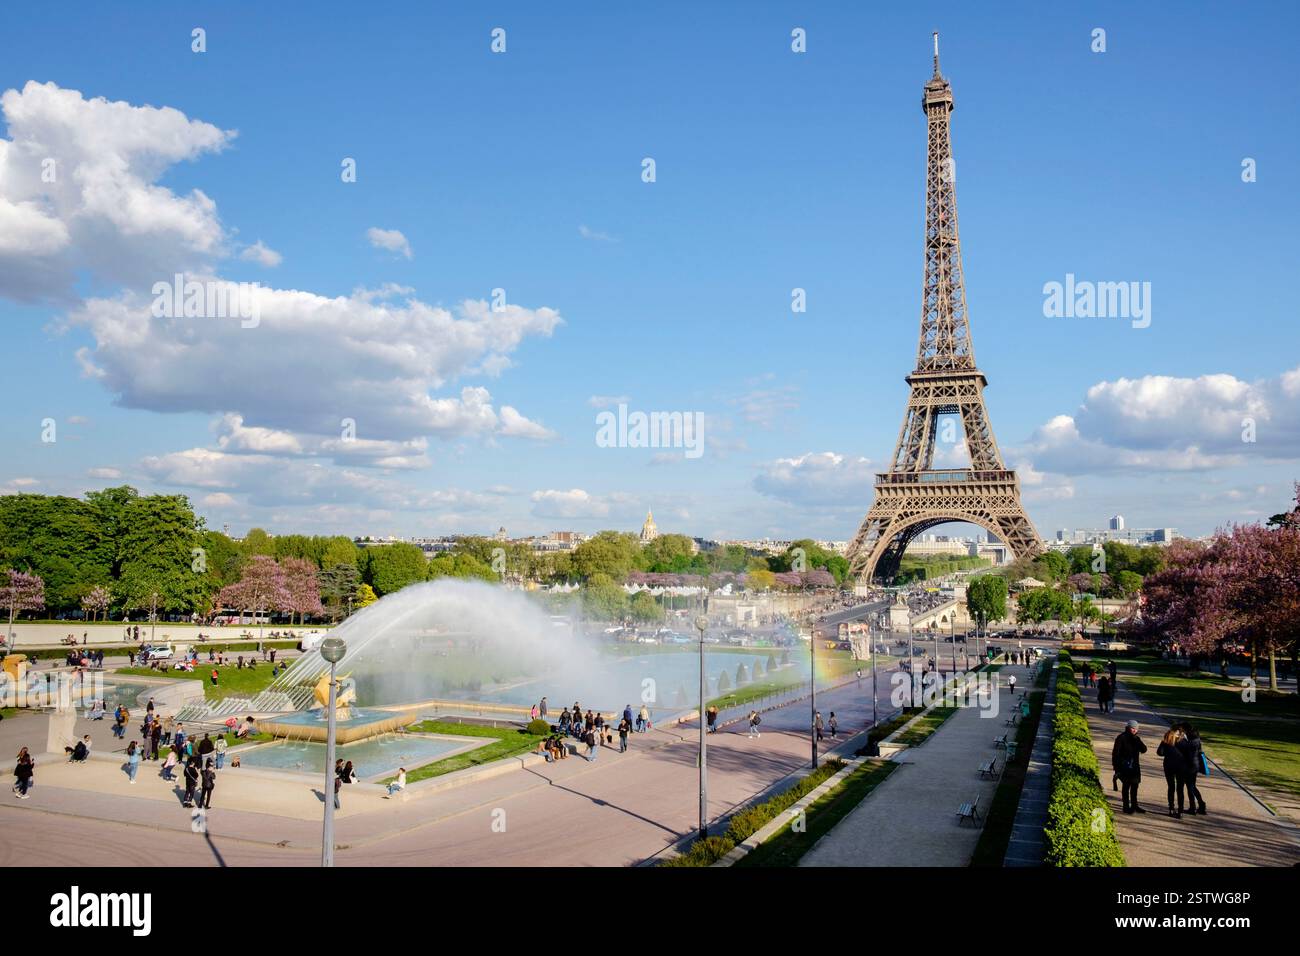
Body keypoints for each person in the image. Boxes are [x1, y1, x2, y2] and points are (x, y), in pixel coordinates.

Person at [1112, 719, 1147, 814]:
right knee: (1126, 787)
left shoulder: (1136, 739)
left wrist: (1137, 740)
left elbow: (1144, 749)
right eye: (1133, 728)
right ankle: (1126, 807)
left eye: (1136, 729)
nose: (1135, 730)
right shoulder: (1121, 738)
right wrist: (1116, 768)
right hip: (1124, 767)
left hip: (1135, 767)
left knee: (1135, 787)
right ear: (1128, 727)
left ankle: (1135, 806)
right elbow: (1115, 754)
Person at [1177, 722, 1208, 815]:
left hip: (1190, 766)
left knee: (1190, 787)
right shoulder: (1196, 738)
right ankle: (1199, 805)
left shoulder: (1189, 740)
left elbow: (1188, 754)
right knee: (1192, 786)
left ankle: (1194, 807)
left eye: (1181, 729)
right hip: (1195, 765)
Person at [1156, 727, 1187, 817]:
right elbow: (1189, 753)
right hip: (1181, 767)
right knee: (1180, 788)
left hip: (1169, 766)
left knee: (1171, 787)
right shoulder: (1183, 742)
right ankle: (1180, 810)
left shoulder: (1166, 741)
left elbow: (1160, 752)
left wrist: (1168, 752)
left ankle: (1171, 809)